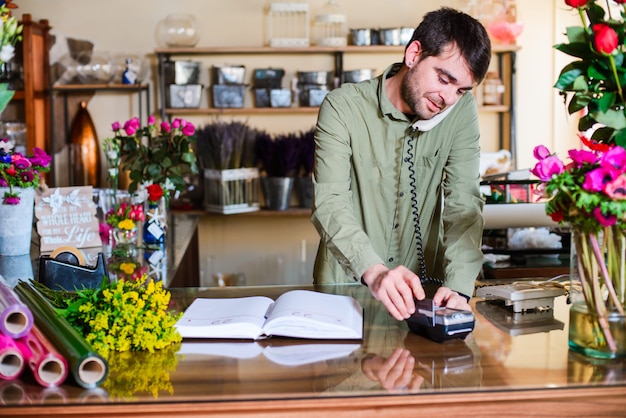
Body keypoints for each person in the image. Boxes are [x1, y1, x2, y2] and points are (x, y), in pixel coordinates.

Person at [311, 7, 491, 321]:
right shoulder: (342, 107)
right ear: (414, 54)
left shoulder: (461, 112)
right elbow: (330, 202)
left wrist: (460, 286)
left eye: (461, 89)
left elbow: (464, 202)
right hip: (346, 291)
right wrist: (375, 271)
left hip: (424, 298)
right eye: (443, 79)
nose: (448, 98)